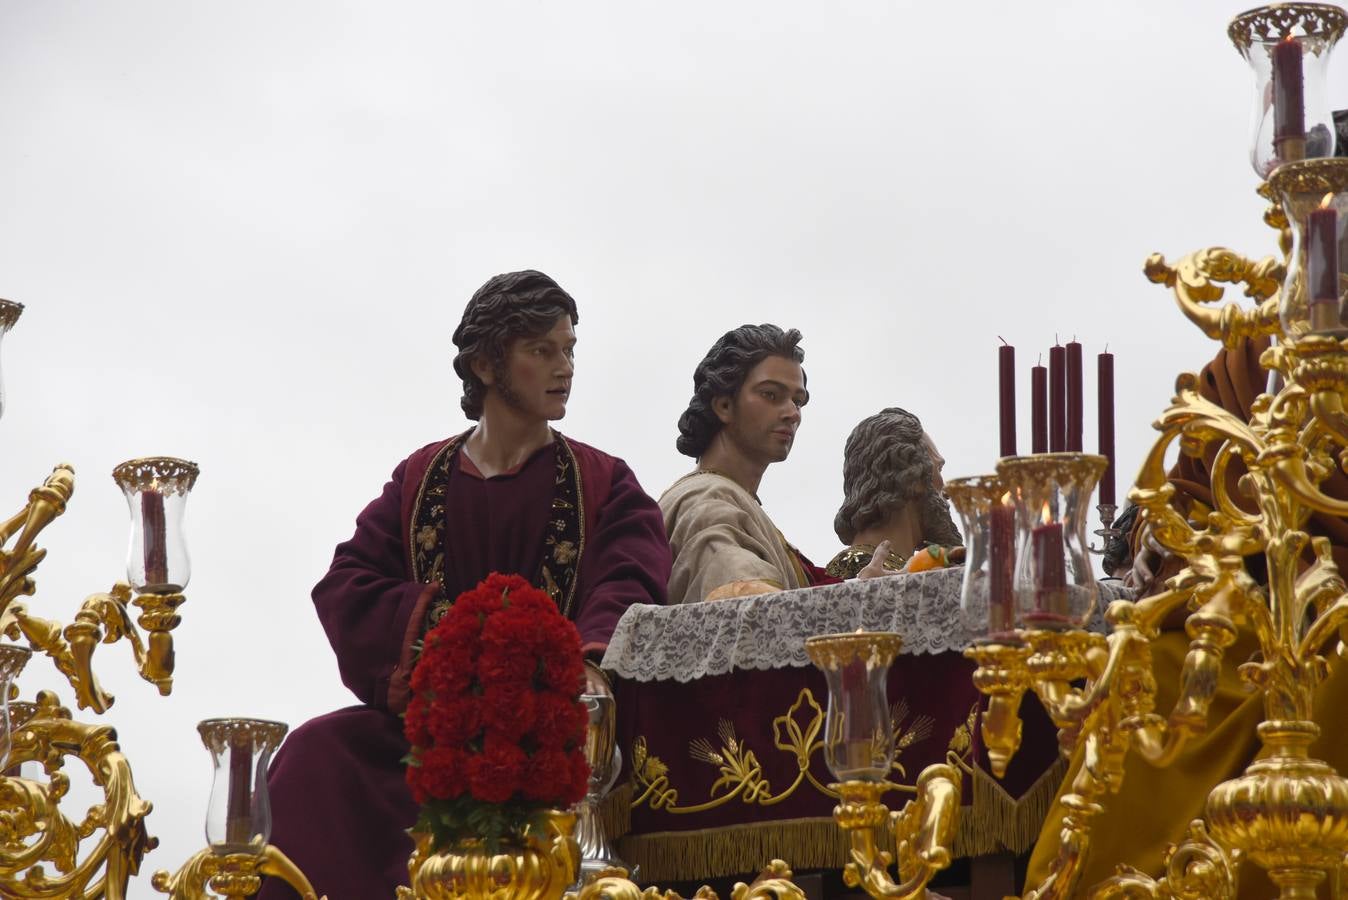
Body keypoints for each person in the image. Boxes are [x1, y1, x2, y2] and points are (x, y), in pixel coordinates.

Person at [259, 271, 672, 899]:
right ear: (485, 364)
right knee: (315, 754)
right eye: (542, 351)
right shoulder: (421, 476)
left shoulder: (602, 480)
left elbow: (632, 576)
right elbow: (347, 582)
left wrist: (575, 660)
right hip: (432, 733)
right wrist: (451, 644)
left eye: (568, 350)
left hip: (549, 728)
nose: (564, 368)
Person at [1023, 334, 1348, 898]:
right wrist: (1159, 542)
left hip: (1327, 613)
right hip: (1241, 603)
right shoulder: (1260, 351)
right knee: (1148, 679)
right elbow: (1194, 490)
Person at [659, 324, 843, 603]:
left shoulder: (733, 498)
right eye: (771, 394)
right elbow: (751, 603)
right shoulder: (705, 499)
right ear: (724, 406)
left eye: (798, 401)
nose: (793, 413)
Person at [825, 407, 964, 579]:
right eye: (939, 469)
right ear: (913, 476)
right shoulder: (858, 572)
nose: (947, 492)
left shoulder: (909, 571)